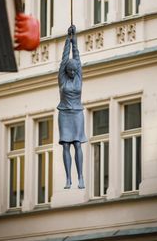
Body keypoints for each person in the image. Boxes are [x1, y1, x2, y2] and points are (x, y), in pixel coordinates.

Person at [57, 25, 87, 189]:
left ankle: (80, 177)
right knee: (66, 145)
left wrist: (74, 39)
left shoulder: (78, 76)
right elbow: (64, 59)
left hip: (77, 113)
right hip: (64, 113)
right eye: (71, 70)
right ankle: (68, 179)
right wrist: (67, 40)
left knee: (77, 144)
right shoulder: (62, 78)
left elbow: (77, 55)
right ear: (67, 71)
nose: (74, 72)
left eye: (76, 70)